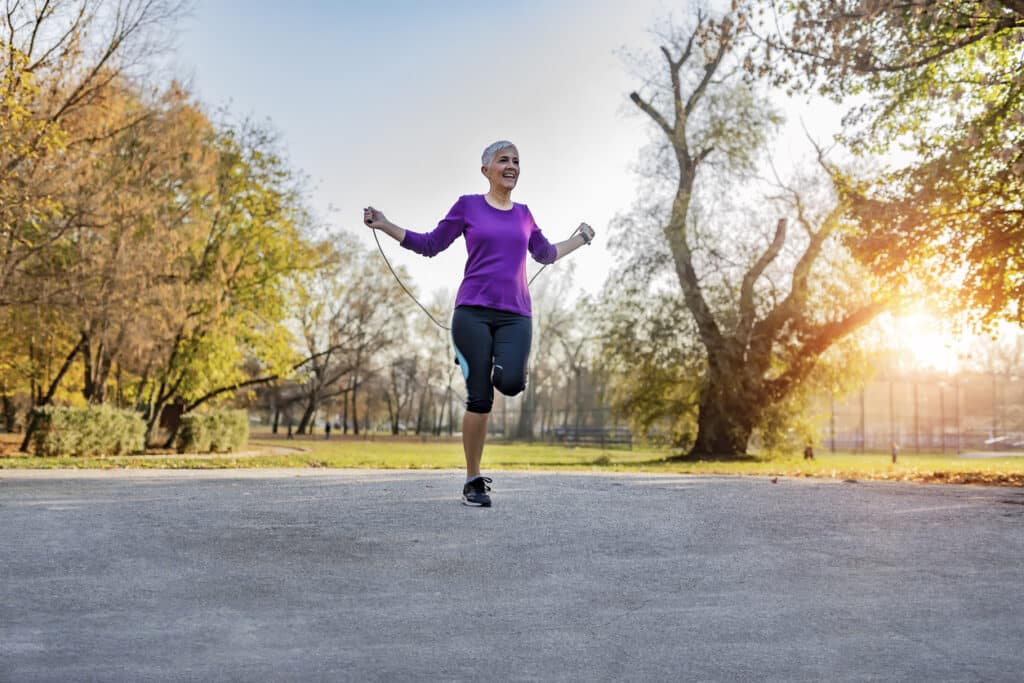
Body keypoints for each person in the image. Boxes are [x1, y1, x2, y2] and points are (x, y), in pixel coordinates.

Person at [363, 140, 594, 507]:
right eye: (504, 160)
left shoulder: (524, 214)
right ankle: (473, 480)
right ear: (486, 169)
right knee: (480, 398)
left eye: (517, 161)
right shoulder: (468, 206)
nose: (512, 166)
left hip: (516, 315)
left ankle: (498, 362)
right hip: (471, 312)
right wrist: (385, 223)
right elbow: (429, 244)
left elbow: (546, 255)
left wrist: (580, 239)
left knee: (511, 382)